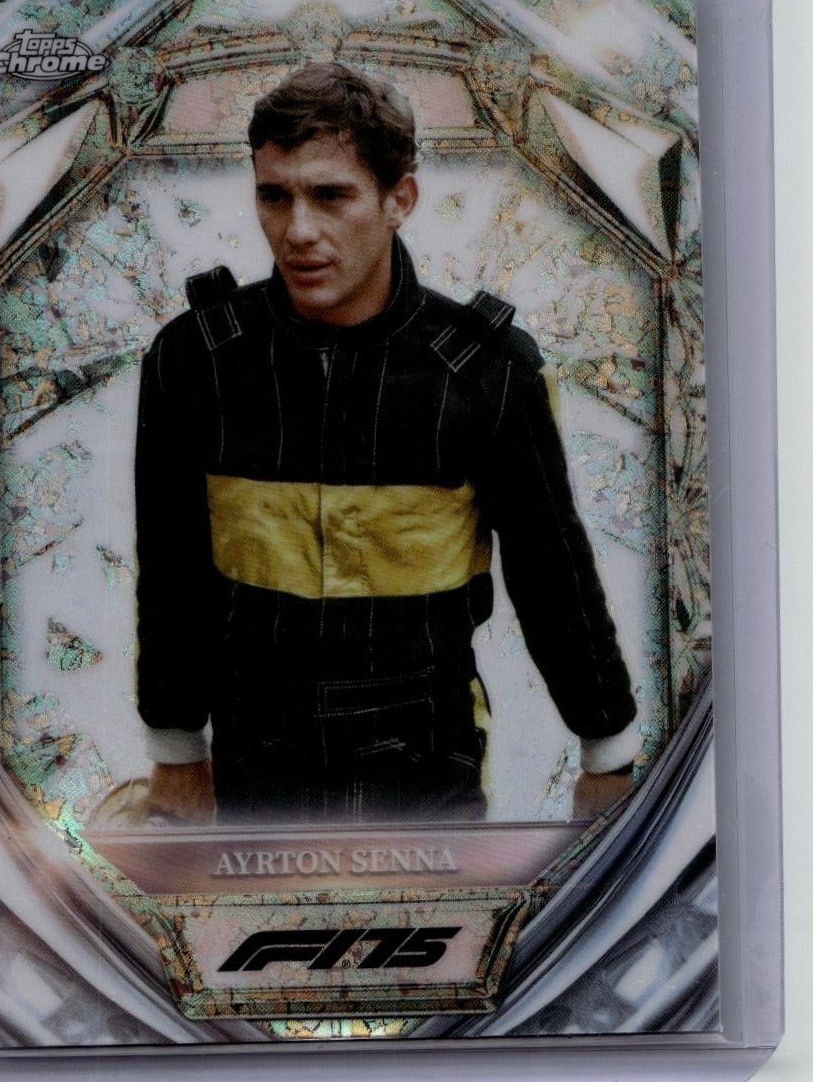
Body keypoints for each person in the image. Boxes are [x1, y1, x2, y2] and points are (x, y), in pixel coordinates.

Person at [134, 62, 639, 826]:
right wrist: (175, 753)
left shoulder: (484, 372)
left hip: (425, 759)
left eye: (331, 195)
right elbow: (172, 568)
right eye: (275, 196)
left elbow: (552, 571)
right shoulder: (196, 360)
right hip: (254, 756)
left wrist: (606, 757)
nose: (299, 231)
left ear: (399, 198)